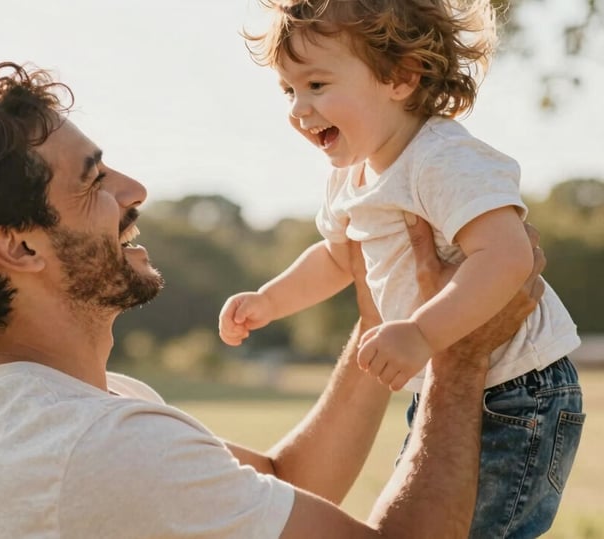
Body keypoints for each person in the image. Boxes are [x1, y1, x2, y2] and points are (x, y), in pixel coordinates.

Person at [0, 61, 542, 538]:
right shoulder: (98, 446)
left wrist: (377, 320)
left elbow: (283, 480)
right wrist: (459, 356)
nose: (134, 189)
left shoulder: (35, 403)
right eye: (94, 181)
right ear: (22, 249)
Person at [218, 1, 585, 537]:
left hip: (519, 386)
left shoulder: (441, 159)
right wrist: (270, 300)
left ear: (400, 77)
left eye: (317, 84)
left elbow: (508, 257)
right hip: (449, 383)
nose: (299, 108)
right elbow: (338, 256)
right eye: (289, 90)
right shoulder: (350, 175)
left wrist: (421, 332)